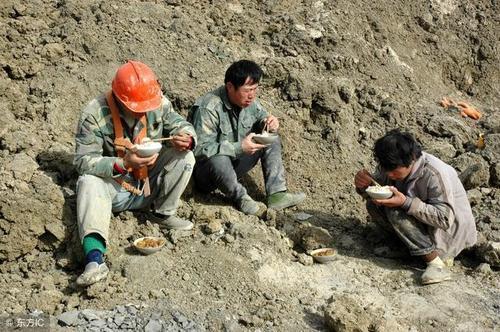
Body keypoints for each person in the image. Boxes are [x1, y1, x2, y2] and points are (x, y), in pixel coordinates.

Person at [74, 60, 196, 286]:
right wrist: (123, 163)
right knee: (88, 181)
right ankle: (94, 259)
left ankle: (161, 214)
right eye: (138, 108)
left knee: (185, 156)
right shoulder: (94, 114)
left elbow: (180, 123)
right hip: (115, 191)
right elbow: (82, 161)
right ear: (120, 99)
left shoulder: (157, 102)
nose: (146, 111)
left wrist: (186, 136)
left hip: (149, 183)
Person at [354, 130, 477, 285]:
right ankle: (405, 248)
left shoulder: (433, 173)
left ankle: (436, 264)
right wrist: (364, 186)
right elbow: (379, 189)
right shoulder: (390, 166)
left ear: (411, 159)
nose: (389, 174)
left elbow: (445, 219)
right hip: (425, 226)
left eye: (393, 170)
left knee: (395, 211)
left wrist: (405, 202)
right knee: (373, 204)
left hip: (447, 234)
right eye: (385, 168)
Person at [188, 60, 305, 215]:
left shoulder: (248, 102)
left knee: (272, 138)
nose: (252, 96)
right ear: (230, 87)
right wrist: (239, 147)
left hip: (234, 164)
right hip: (207, 174)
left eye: (255, 90)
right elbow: (199, 149)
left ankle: (277, 194)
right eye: (247, 90)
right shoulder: (209, 108)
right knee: (219, 157)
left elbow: (262, 116)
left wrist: (269, 122)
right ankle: (241, 198)